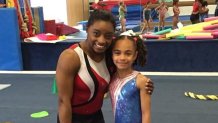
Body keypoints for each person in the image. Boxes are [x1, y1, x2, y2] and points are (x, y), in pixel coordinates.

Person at [56, 10, 154, 123]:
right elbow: (63, 102)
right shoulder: (71, 57)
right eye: (96, 33)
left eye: (108, 36)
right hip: (73, 118)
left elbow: (124, 75)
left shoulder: (108, 54)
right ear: (87, 29)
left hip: (96, 117)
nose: (102, 40)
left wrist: (144, 85)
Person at [109, 31, 151, 123]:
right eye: (117, 53)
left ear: (135, 55)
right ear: (112, 54)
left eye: (128, 53)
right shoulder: (111, 78)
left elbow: (146, 114)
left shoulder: (141, 81)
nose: (122, 58)